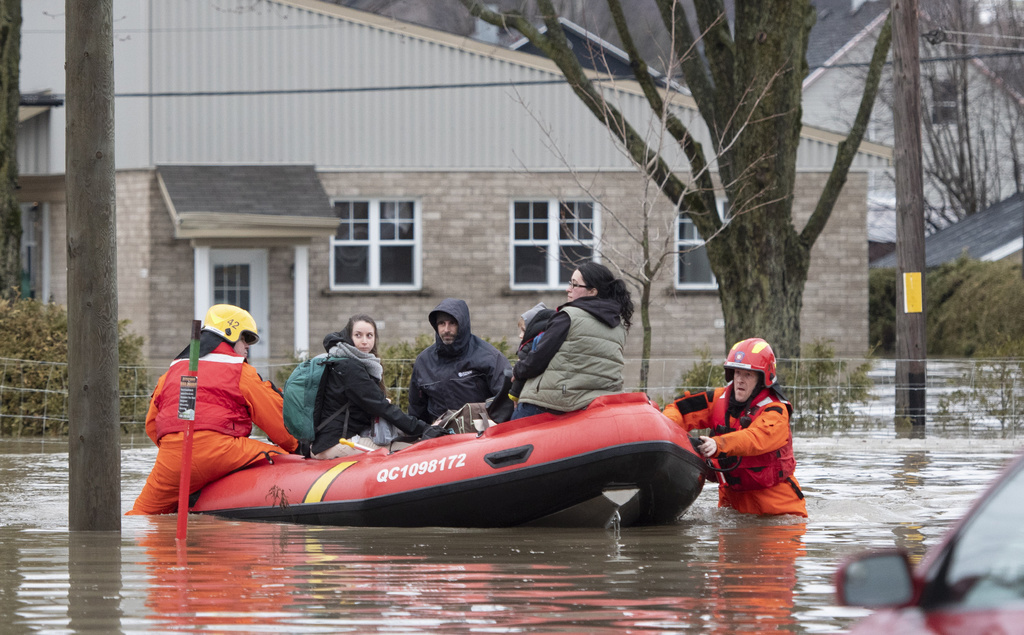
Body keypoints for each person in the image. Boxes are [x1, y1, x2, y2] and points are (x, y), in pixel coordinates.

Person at [128, 304, 298, 515]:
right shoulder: (240, 371)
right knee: (287, 460)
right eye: (245, 339)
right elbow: (277, 420)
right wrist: (297, 446)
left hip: (173, 458)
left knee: (142, 514)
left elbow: (152, 426)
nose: (247, 347)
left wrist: (178, 450)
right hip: (223, 451)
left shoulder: (171, 372)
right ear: (231, 334)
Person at [662, 337, 807, 517]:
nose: (740, 380)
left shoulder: (776, 411)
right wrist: (664, 433)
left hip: (778, 511)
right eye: (737, 373)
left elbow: (755, 438)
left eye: (748, 375)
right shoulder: (719, 399)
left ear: (762, 379)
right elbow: (678, 410)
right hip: (732, 507)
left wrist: (718, 445)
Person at [511, 262, 633, 419]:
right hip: (596, 403)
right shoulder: (618, 325)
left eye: (575, 285)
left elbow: (538, 359)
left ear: (592, 291)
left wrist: (517, 371)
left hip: (554, 402)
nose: (568, 289)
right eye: (570, 283)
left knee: (510, 433)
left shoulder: (568, 316)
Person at [312, 314, 444, 459]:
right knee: (411, 451)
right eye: (358, 335)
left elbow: (370, 405)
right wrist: (425, 428)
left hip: (334, 440)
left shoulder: (349, 362)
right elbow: (382, 408)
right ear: (348, 337)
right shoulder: (350, 367)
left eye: (369, 336)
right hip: (335, 444)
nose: (364, 341)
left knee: (407, 444)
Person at [408, 298, 512, 423]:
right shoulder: (423, 362)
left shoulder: (489, 357)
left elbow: (506, 402)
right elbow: (416, 410)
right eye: (441, 323)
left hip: (480, 435)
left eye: (452, 323)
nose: (446, 329)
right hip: (439, 435)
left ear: (462, 324)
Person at [509, 302, 554, 404]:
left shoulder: (528, 347)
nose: (520, 335)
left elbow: (520, 376)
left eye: (524, 331)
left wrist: (514, 396)